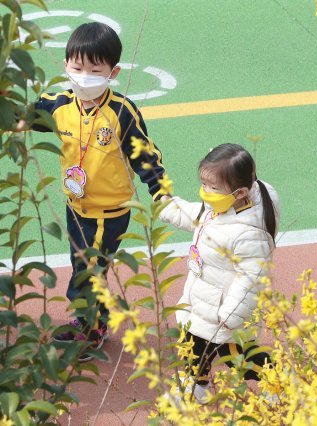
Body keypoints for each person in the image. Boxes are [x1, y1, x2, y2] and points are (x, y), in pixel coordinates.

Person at [31, 22, 168, 361]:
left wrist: (160, 191)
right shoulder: (58, 103)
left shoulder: (121, 111)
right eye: (77, 68)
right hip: (75, 204)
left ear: (113, 72)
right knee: (84, 263)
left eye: (95, 70)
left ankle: (92, 330)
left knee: (89, 268)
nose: (84, 76)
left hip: (110, 210)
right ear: (65, 66)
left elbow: (144, 155)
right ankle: (91, 319)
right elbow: (24, 118)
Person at [160, 143, 279, 403]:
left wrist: (231, 314)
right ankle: (196, 386)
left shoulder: (248, 233)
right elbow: (200, 215)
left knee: (238, 357)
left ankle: (277, 379)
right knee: (191, 344)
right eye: (204, 184)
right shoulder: (225, 206)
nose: (205, 193)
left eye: (212, 188)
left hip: (224, 308)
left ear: (240, 192)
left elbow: (252, 278)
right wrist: (170, 208)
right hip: (205, 297)